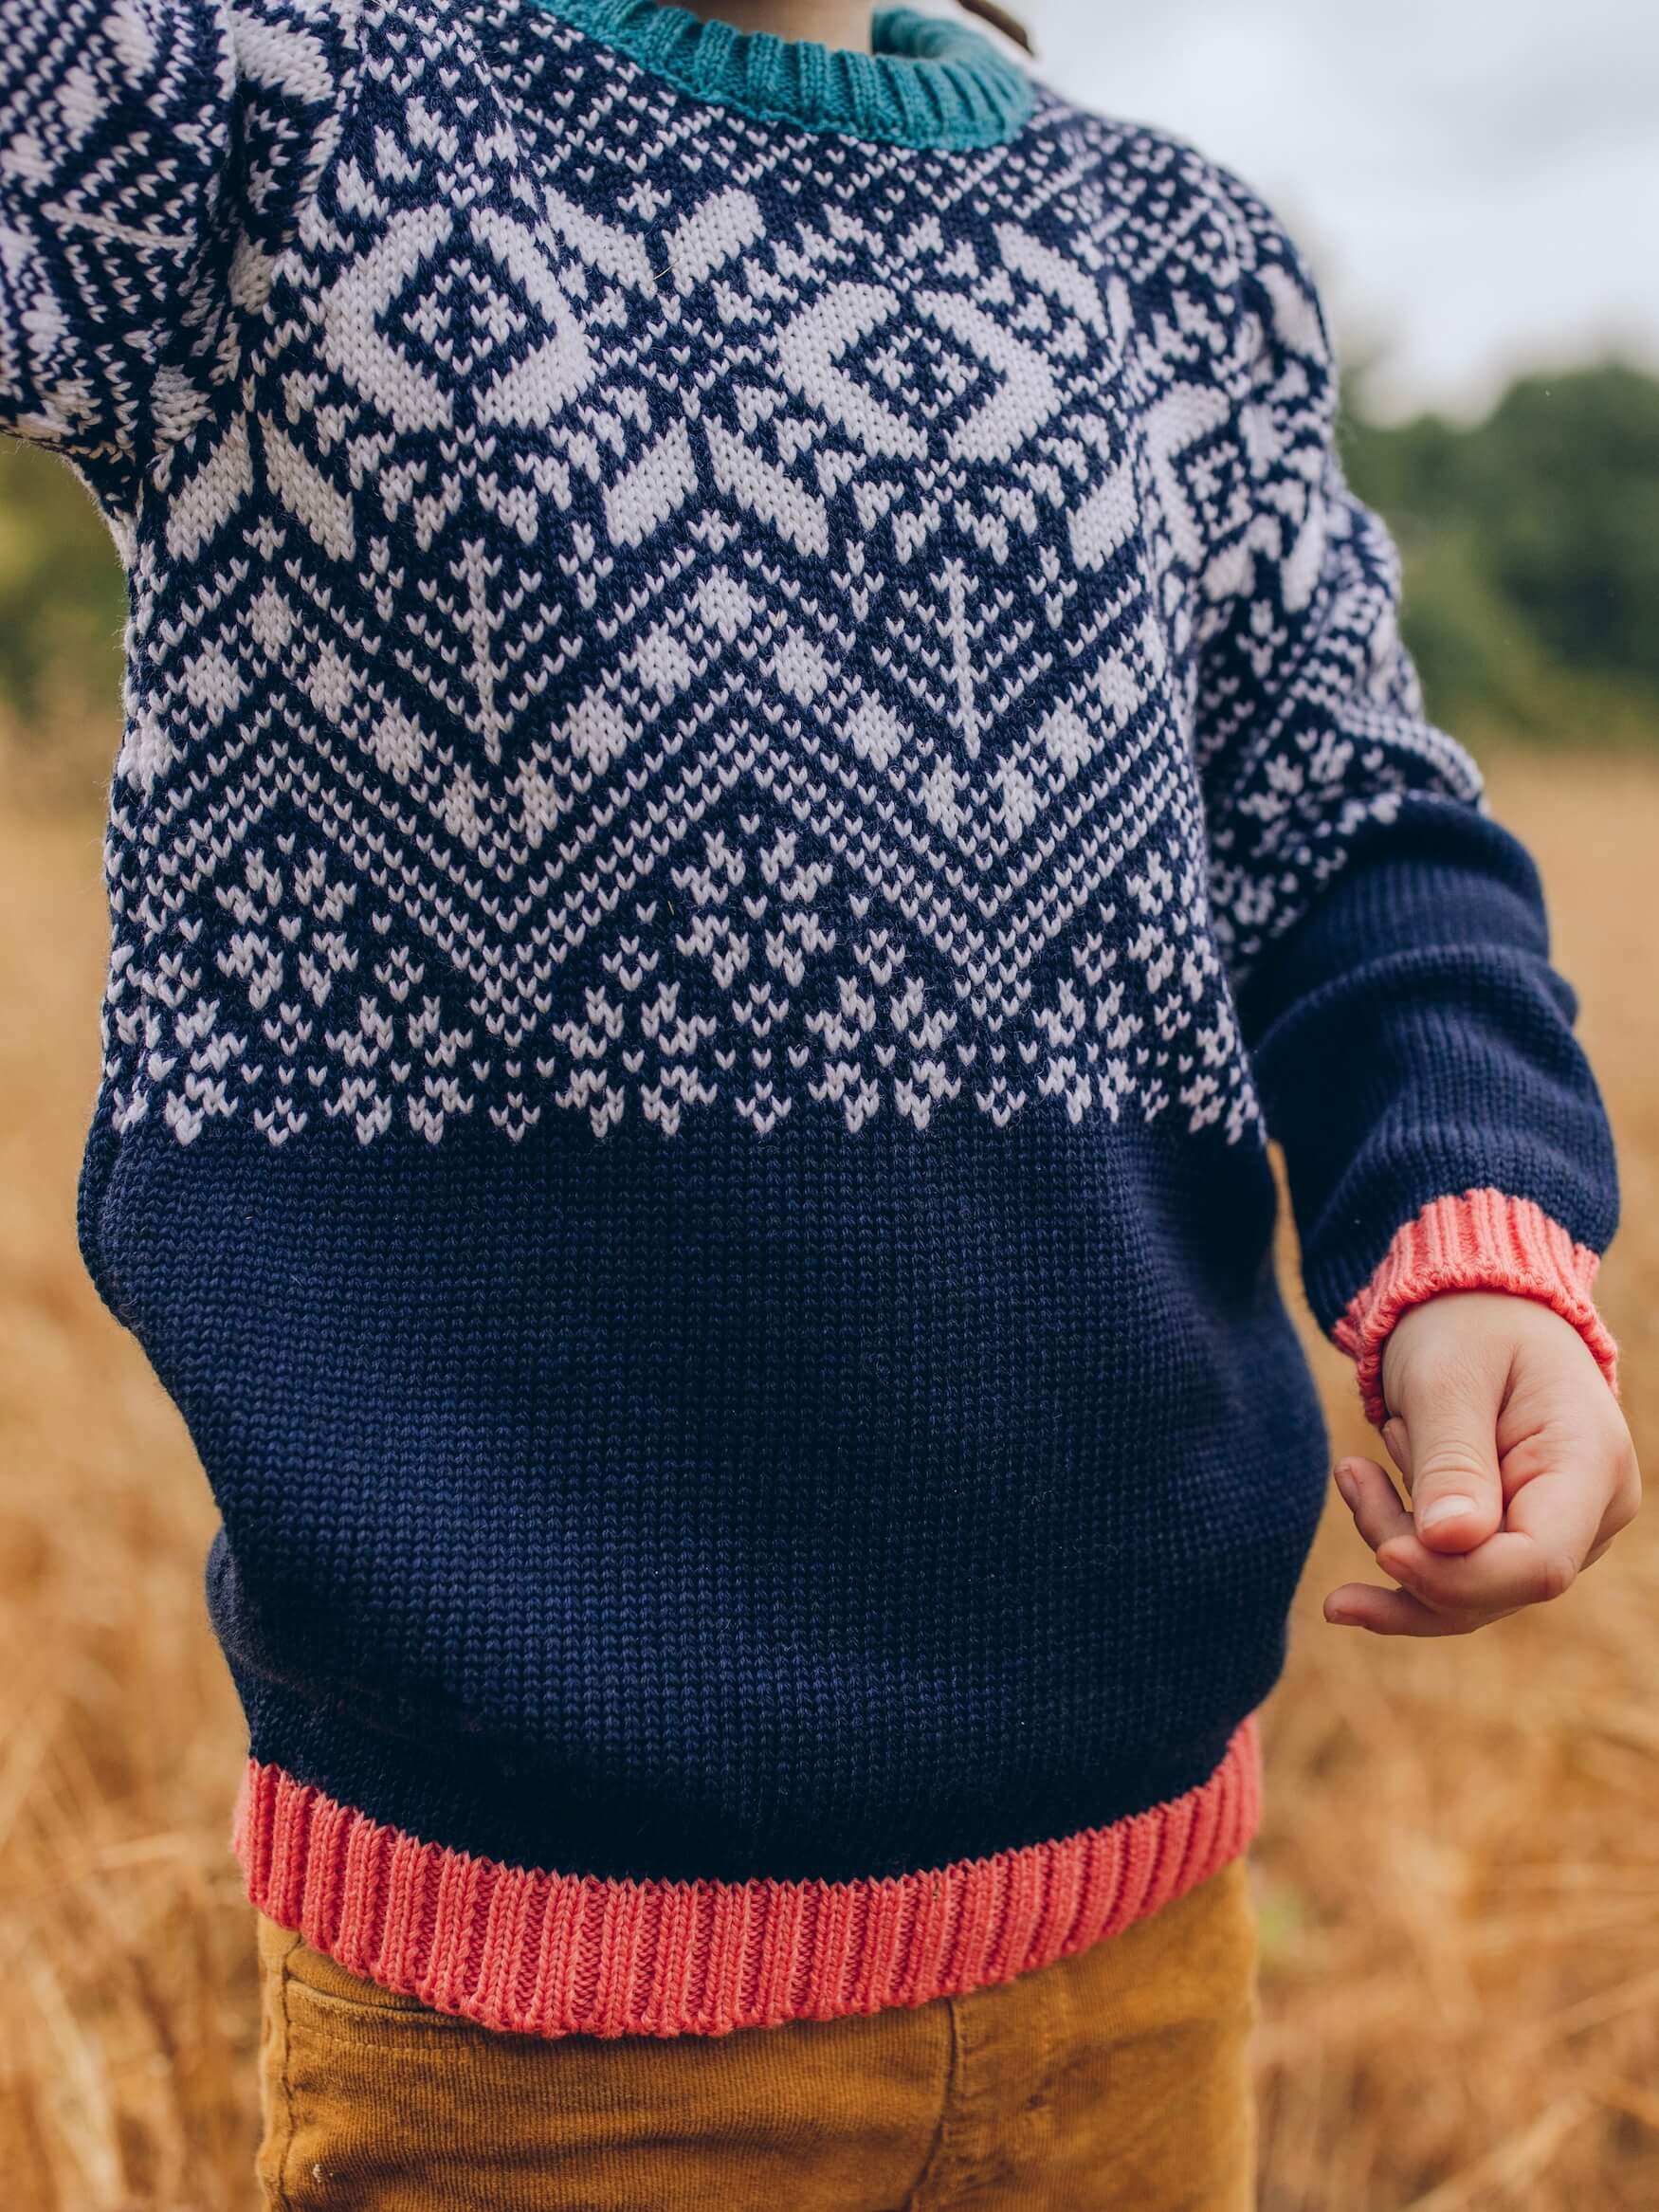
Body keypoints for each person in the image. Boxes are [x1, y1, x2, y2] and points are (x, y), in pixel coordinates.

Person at [1, 0, 1640, 2203]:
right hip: (539, 2040)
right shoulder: (247, 91)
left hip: (1137, 1961)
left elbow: (1343, 821)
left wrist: (1469, 1233)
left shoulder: (1176, 255)